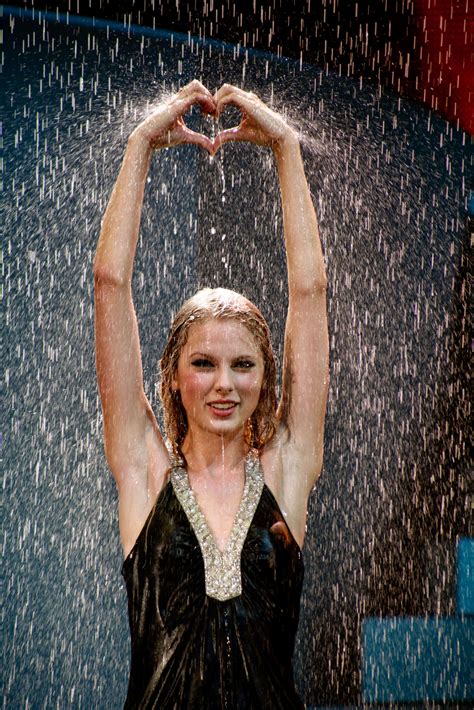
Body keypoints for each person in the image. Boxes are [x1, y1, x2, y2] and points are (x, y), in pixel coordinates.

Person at [93, 80, 329, 709]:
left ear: (265, 377)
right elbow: (110, 283)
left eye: (242, 365)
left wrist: (285, 148)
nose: (225, 384)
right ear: (172, 374)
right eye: (203, 363)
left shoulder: (289, 465)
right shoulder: (144, 470)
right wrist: (140, 144)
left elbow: (309, 292)